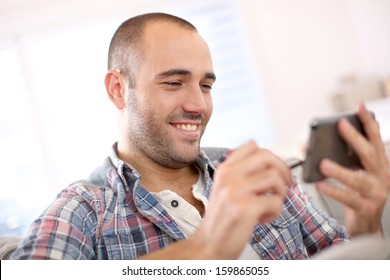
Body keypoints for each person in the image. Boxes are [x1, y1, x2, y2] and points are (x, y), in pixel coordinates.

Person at [10, 12, 390, 260]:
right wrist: (207, 246)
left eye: (206, 85)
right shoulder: (83, 210)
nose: (198, 105)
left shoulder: (253, 172)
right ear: (117, 90)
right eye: (174, 82)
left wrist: (365, 225)